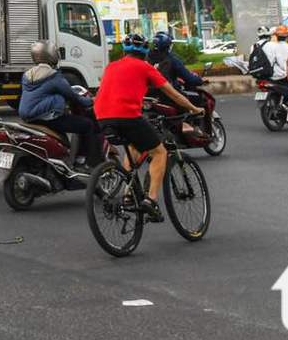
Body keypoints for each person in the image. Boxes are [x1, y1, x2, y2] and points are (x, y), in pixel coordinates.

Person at [94, 33, 202, 222]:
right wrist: (194, 108)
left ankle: (128, 194)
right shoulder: (145, 67)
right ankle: (151, 200)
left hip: (102, 118)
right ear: (144, 51)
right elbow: (173, 94)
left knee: (134, 147)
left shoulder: (111, 67)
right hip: (127, 116)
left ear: (126, 50)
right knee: (159, 153)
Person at [17, 41, 100, 165]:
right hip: (46, 117)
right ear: (51, 55)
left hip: (28, 117)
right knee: (87, 125)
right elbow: (72, 96)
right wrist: (90, 101)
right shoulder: (54, 77)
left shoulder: (27, 75)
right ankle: (81, 161)